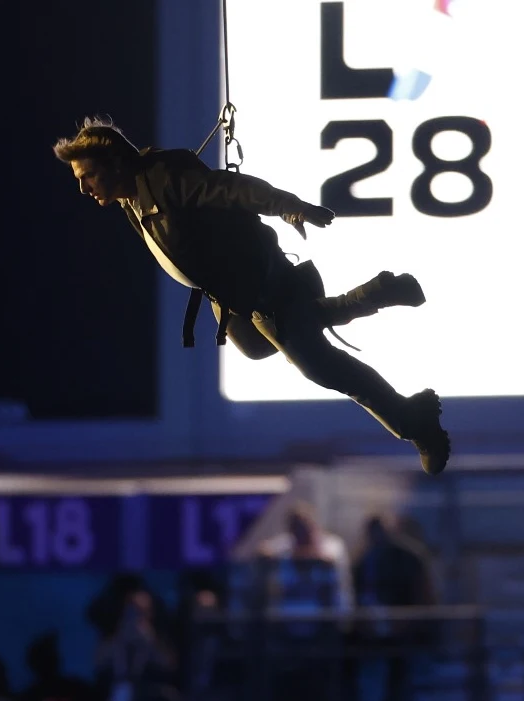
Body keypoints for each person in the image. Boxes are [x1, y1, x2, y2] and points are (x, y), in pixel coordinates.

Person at [53, 117, 451, 474]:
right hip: (229, 295)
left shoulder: (165, 179)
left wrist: (289, 207)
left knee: (321, 367)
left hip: (258, 283)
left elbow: (232, 189)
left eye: (87, 176)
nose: (84, 189)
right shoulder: (128, 198)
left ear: (117, 164)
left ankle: (415, 420)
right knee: (259, 346)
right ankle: (371, 295)